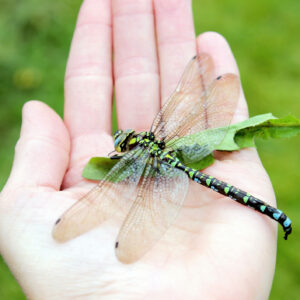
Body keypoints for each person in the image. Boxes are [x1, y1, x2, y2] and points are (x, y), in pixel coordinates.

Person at [0, 0, 277, 298]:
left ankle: (269, 212)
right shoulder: (158, 140)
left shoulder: (139, 161)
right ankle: (271, 213)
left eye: (124, 141)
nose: (124, 141)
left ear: (128, 145)